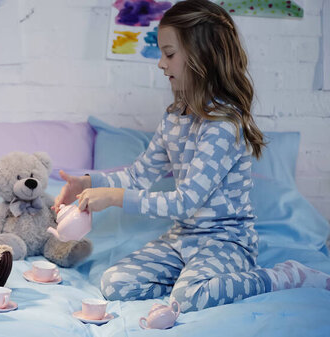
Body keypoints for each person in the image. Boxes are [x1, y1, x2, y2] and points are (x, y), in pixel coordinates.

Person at [53, 0, 330, 313]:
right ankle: (196, 280)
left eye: (169, 54)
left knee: (188, 298)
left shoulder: (224, 126)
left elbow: (186, 201)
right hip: (182, 238)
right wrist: (89, 182)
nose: (161, 63)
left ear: (203, 56)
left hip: (226, 242)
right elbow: (139, 175)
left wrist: (115, 197)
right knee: (114, 284)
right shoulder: (174, 117)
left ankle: (282, 276)